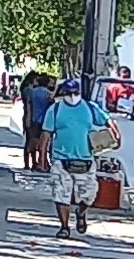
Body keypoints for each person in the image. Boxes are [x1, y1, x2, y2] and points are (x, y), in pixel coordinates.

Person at [42, 75, 98, 237]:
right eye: (69, 92)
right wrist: (43, 158)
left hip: (86, 159)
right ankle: (64, 227)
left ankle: (81, 213)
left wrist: (115, 136)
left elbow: (107, 121)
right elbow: (46, 134)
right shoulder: (56, 109)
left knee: (89, 196)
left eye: (75, 92)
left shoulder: (90, 107)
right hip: (60, 160)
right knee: (61, 195)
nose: (72, 96)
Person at [20, 70, 53, 173]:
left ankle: (31, 163)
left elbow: (29, 106)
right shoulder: (48, 94)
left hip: (33, 119)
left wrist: (28, 119)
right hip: (45, 121)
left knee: (31, 141)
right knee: (42, 143)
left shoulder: (32, 92)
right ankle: (40, 163)